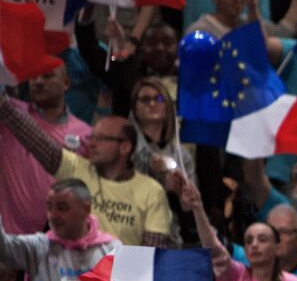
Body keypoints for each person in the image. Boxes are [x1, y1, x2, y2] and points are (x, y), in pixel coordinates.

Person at [0, 96, 172, 248]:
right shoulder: (79, 169)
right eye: (92, 137)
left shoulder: (151, 191)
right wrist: (4, 106)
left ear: (125, 147)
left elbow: (152, 253)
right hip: (74, 276)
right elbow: (38, 141)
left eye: (101, 139)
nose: (91, 144)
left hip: (122, 280)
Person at [0, 180, 122, 281]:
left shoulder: (112, 250)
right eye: (49, 207)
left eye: (62, 208)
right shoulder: (38, 247)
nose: (53, 216)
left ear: (86, 209)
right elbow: (3, 248)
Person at [0, 67, 90, 235]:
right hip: (9, 241)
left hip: (58, 244)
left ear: (66, 83)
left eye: (47, 76)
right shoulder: (10, 113)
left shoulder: (85, 133)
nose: (39, 82)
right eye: (33, 77)